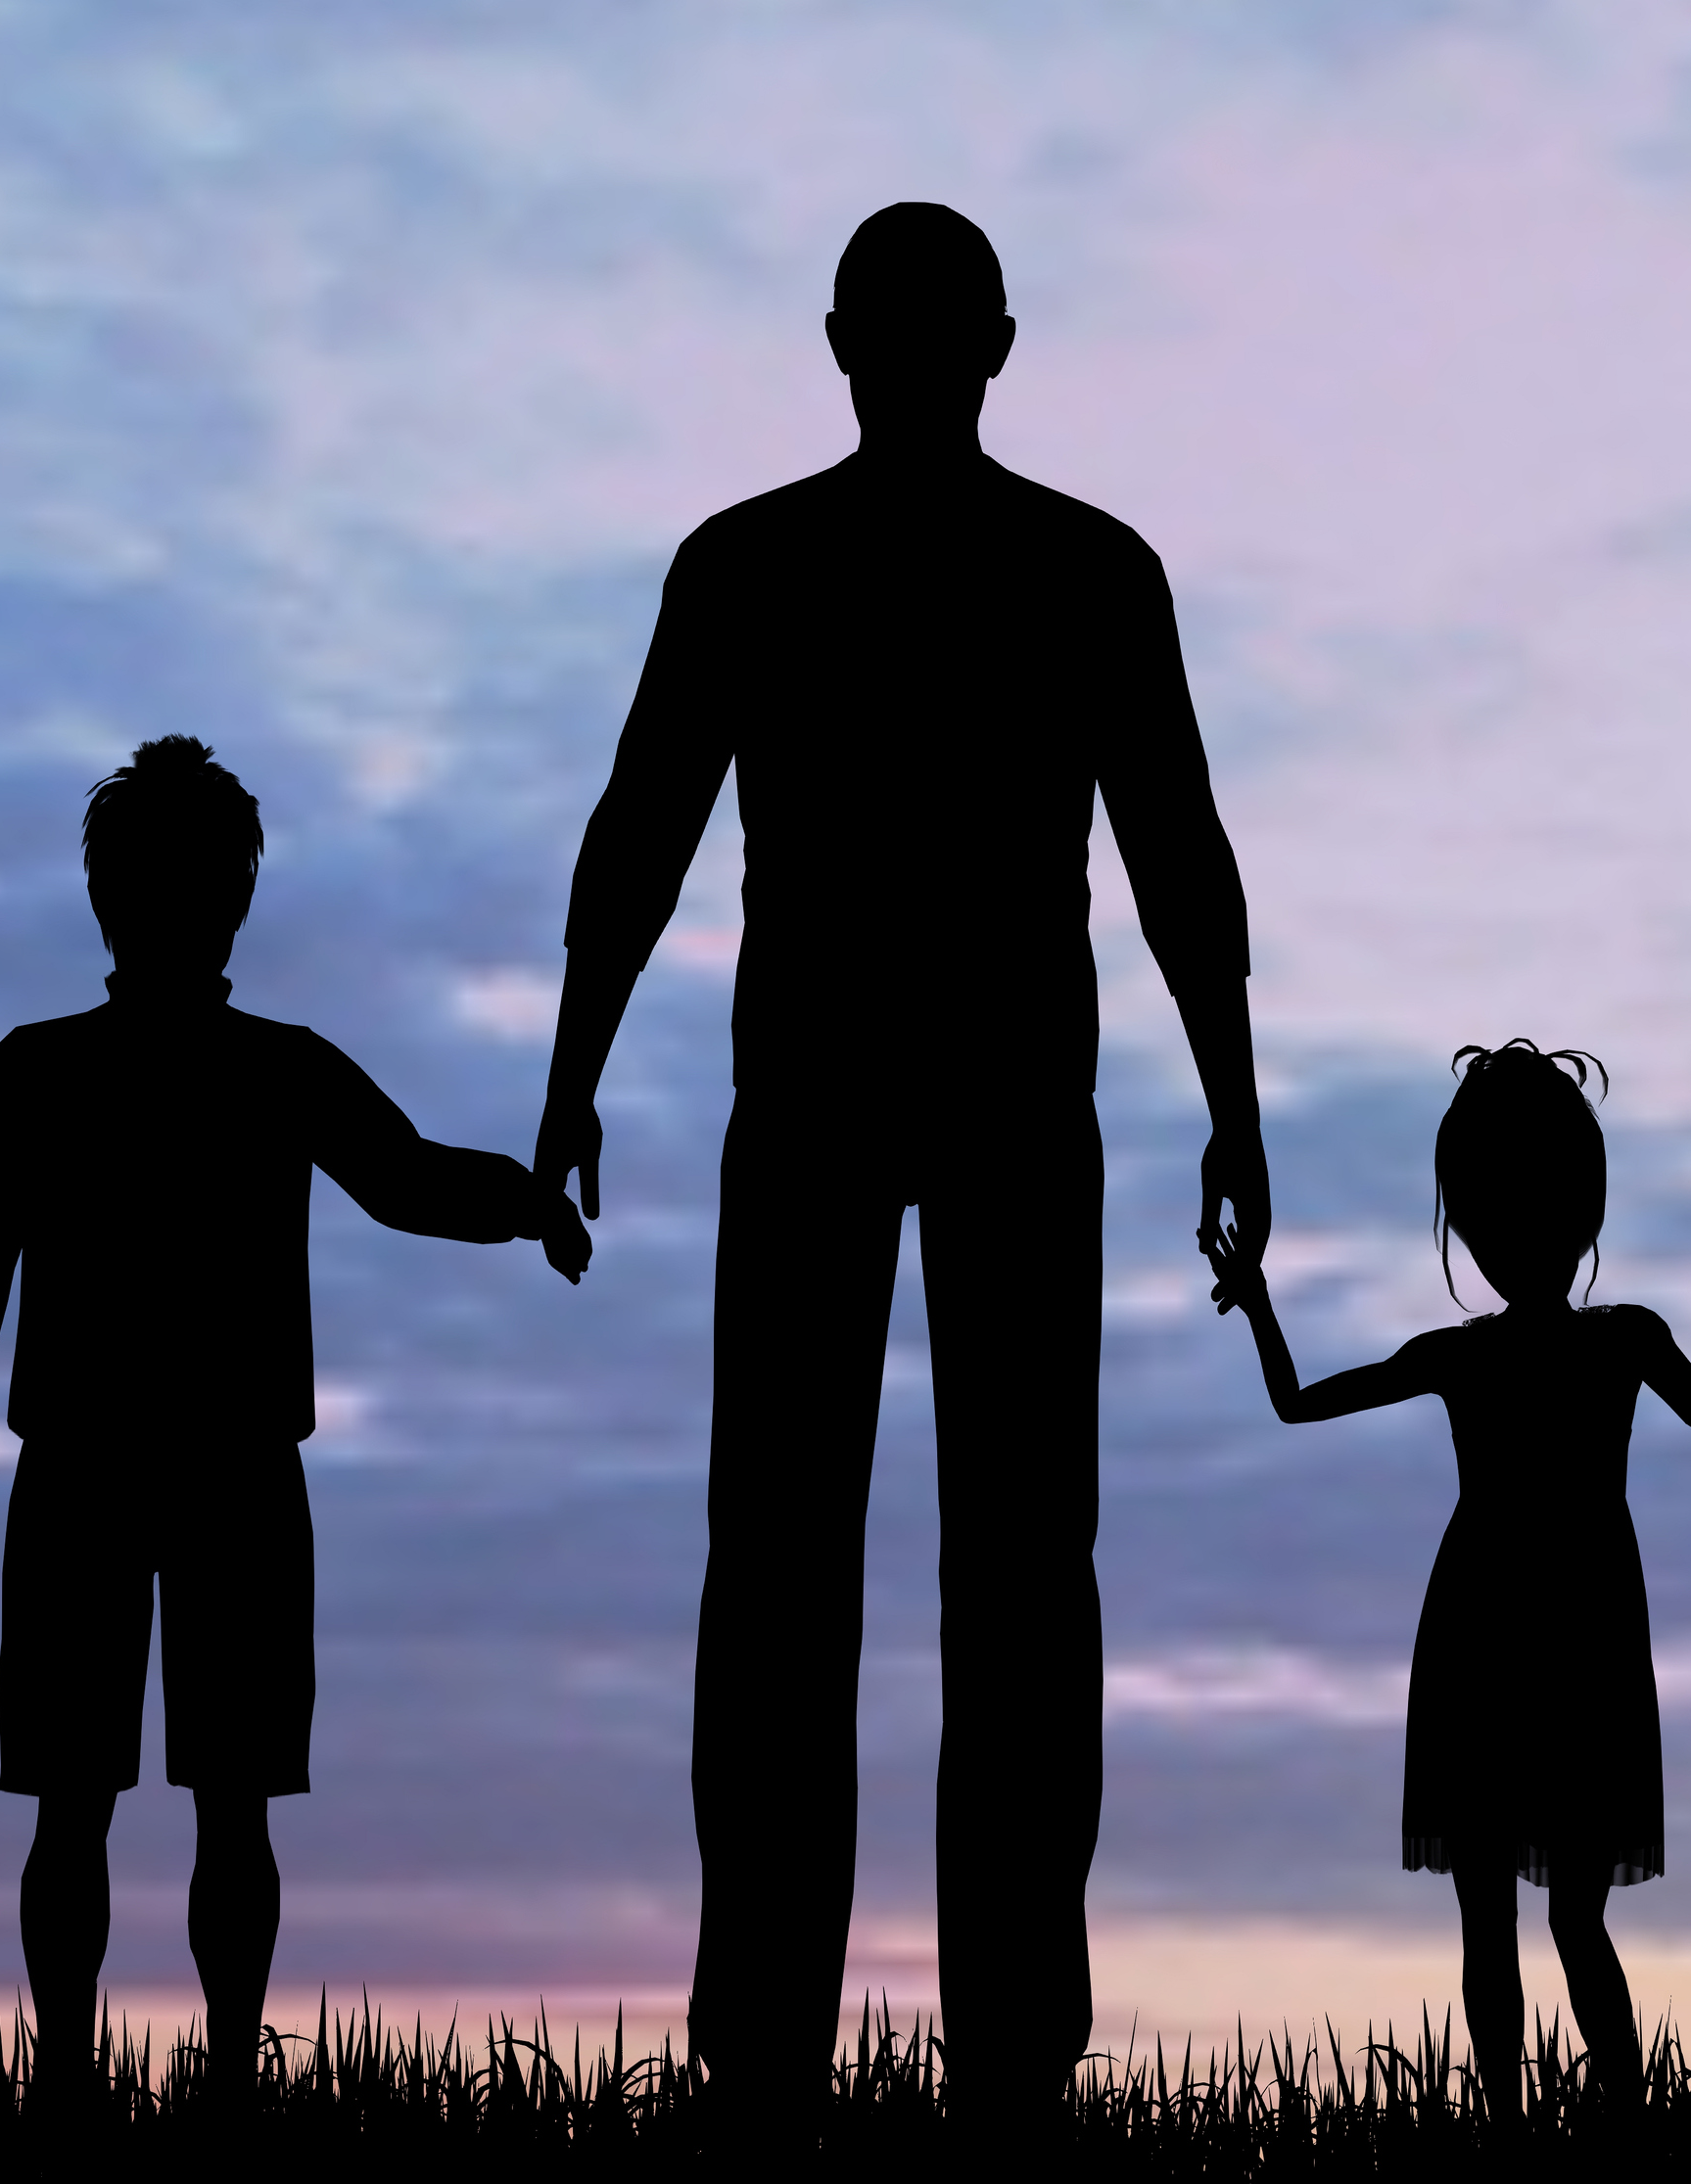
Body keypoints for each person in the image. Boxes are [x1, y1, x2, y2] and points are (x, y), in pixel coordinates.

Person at [529, 202, 1268, 2131]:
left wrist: (571, 1073)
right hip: (939, 1092)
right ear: (986, 344)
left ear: (846, 342)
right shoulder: (1065, 568)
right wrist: (1234, 1102)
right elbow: (1178, 855)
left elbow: (636, 837)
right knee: (967, 1565)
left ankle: (839, 2033)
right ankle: (949, 2037)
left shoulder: (777, 563)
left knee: (837, 1563)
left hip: (902, 1094)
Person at [0, 735, 589, 2114]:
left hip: (153, 1463)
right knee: (165, 1793)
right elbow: (400, 1179)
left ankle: (102, 2076)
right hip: (173, 1465)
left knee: (136, 1793)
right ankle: (146, 2075)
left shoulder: (69, 1069)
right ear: (224, 901)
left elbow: (397, 1179)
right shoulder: (217, 1068)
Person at [1204, 1042, 1691, 2123]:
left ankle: (1581, 2123)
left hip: (1526, 1634)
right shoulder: (1603, 1342)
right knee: (1535, 1920)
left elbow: (1294, 1401)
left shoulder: (1515, 1351)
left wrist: (1259, 1301)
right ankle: (1568, 2125)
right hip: (1535, 1633)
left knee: (1527, 1920)